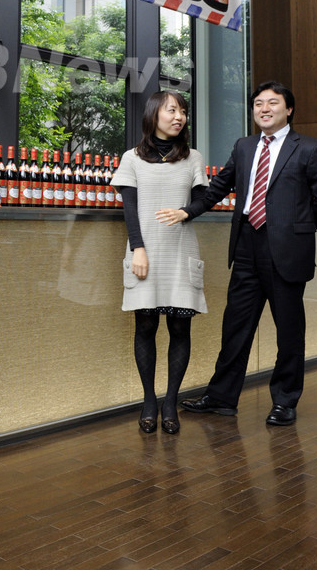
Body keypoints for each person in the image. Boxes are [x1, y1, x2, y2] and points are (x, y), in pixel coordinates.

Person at [158, 81, 317, 426]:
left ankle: (285, 401)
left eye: (272, 103)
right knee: (235, 325)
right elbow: (218, 188)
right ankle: (221, 398)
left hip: (286, 250)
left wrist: (296, 229)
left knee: (289, 330)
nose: (264, 109)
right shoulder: (244, 146)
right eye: (258, 104)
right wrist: (187, 211)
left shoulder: (311, 149)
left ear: (288, 109)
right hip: (247, 244)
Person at [111, 91, 208, 435]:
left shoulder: (193, 157)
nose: (179, 117)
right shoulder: (132, 158)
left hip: (181, 251)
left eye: (183, 111)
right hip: (145, 254)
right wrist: (137, 248)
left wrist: (185, 212)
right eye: (172, 110)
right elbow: (129, 209)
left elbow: (203, 200)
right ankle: (149, 401)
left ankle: (170, 403)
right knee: (146, 327)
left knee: (180, 328)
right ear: (154, 114)